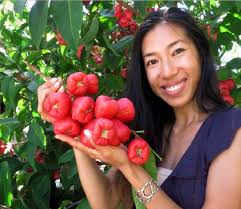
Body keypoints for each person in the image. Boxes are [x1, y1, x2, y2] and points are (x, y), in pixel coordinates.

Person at [37, 7, 241, 209]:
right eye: (152, 61)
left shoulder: (232, 130)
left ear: (200, 52)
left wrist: (129, 167)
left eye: (177, 51)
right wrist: (72, 123)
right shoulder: (149, 127)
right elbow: (105, 202)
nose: (167, 71)